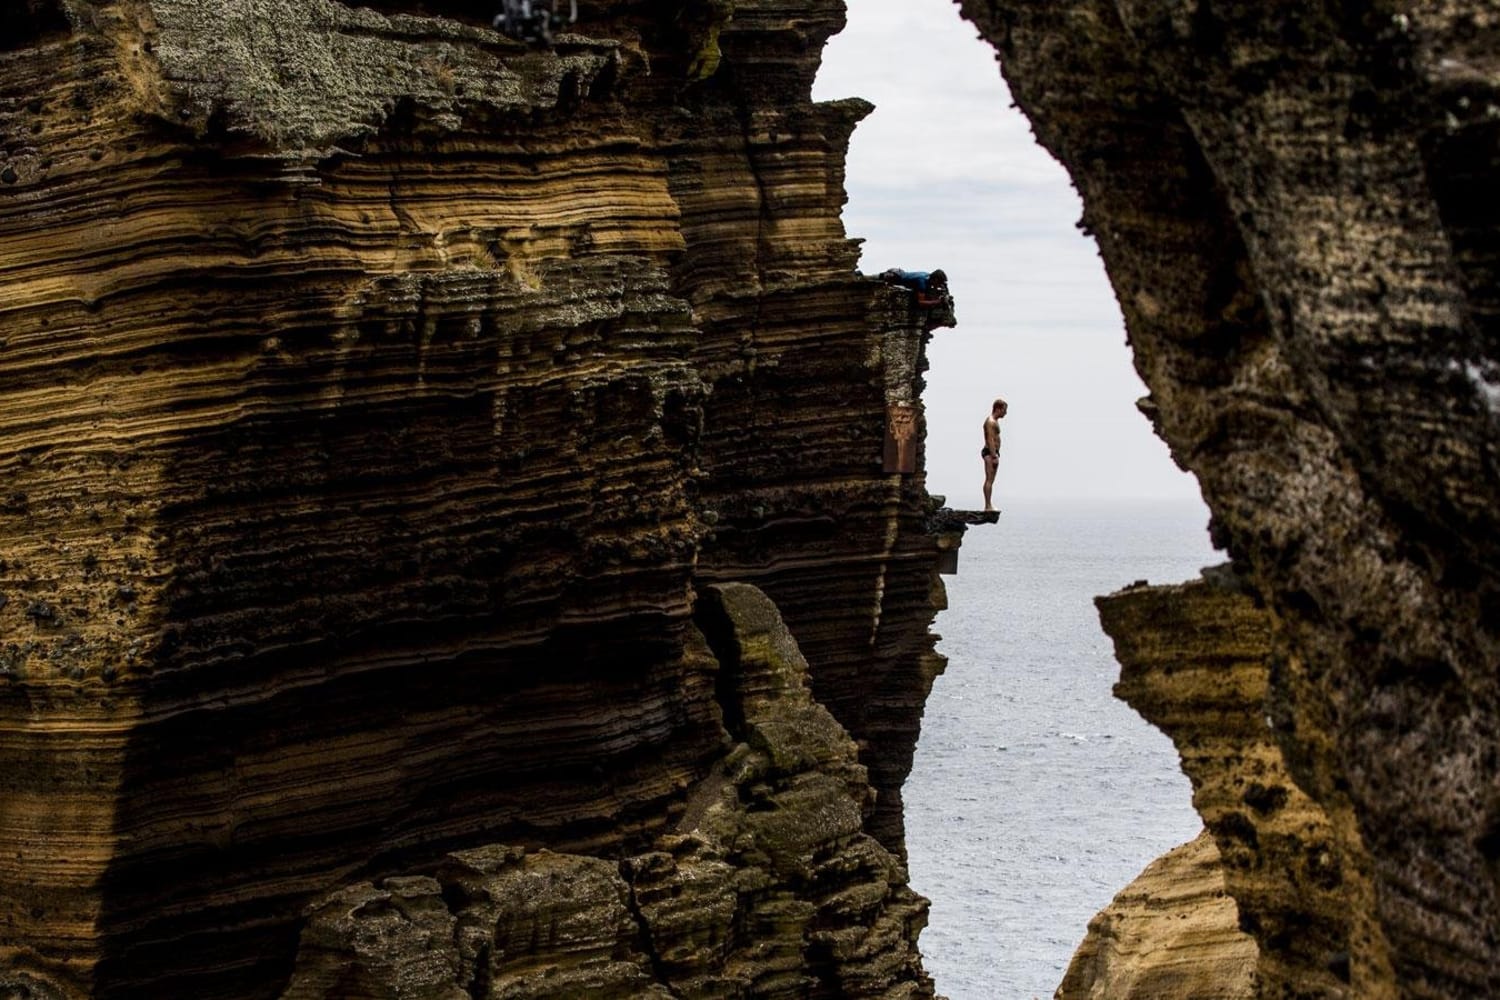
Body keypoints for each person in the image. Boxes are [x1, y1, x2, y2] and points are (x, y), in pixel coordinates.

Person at [981, 397, 1007, 512]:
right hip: (990, 453)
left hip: (993, 453)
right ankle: (987, 505)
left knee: (991, 480)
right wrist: (994, 456)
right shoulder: (990, 422)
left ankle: (989, 504)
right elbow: (990, 439)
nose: (1005, 413)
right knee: (989, 480)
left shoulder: (994, 421)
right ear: (998, 409)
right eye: (1004, 410)